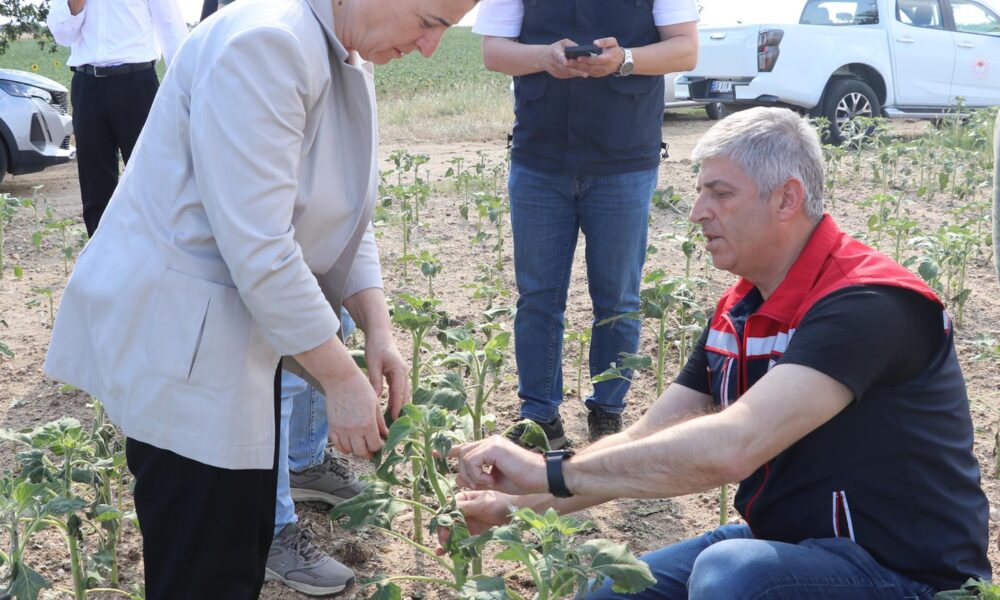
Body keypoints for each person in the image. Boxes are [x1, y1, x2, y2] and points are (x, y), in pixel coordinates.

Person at [447, 107, 992, 598]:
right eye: (699, 192)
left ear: (787, 198)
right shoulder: (737, 311)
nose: (696, 212)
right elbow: (646, 441)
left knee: (733, 575)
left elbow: (733, 446)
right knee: (611, 589)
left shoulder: (866, 303)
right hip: (788, 546)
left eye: (720, 193)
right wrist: (512, 506)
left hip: (904, 574)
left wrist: (548, 470)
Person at [42, 0, 478, 597]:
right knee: (202, 567)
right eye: (429, 23)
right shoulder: (268, 44)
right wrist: (340, 379)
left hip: (241, 344)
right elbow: (261, 248)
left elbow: (343, 211)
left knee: (238, 549)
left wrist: (378, 329)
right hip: (185, 353)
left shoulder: (346, 50)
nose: (430, 48)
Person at [472, 0, 699, 448]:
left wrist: (624, 59)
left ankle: (608, 414)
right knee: (538, 298)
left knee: (618, 298)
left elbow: (685, 50)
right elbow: (494, 51)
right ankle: (539, 419)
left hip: (625, 159)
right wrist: (543, 57)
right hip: (539, 159)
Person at [46, 0, 188, 237]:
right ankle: (102, 256)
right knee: (95, 187)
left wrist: (185, 90)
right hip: (87, 86)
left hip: (137, 84)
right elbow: (62, 36)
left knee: (149, 180)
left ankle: (154, 254)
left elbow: (171, 27)